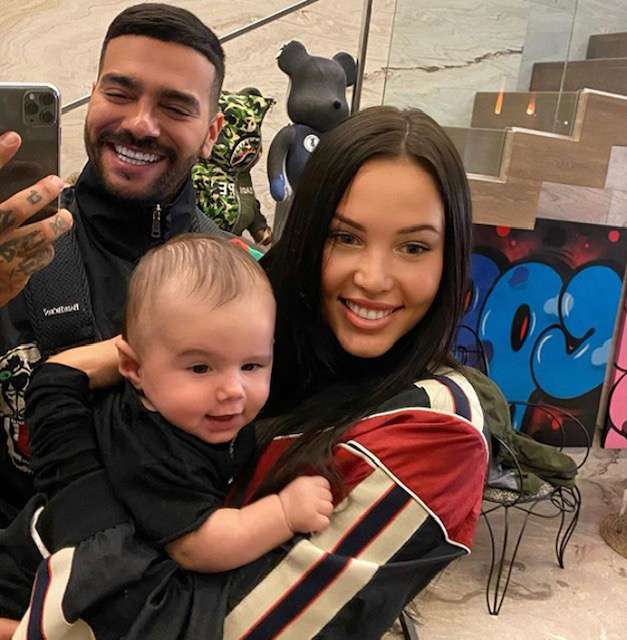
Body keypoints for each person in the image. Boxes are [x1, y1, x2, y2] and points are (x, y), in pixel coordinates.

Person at [2, 106, 495, 639]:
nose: (373, 277)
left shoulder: (436, 427)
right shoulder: (266, 332)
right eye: (345, 237)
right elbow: (63, 387)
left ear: (450, 257)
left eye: (414, 247)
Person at [1, 235, 333, 637]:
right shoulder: (151, 446)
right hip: (24, 591)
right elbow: (197, 546)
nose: (233, 390)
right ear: (132, 367)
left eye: (252, 365)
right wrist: (283, 512)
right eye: (200, 368)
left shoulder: (190, 412)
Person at [0, 3, 227, 526]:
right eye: (119, 94)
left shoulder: (243, 283)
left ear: (212, 132)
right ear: (93, 94)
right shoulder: (13, 251)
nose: (140, 124)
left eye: (175, 107)